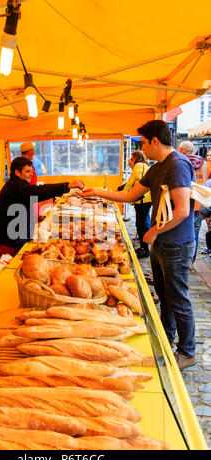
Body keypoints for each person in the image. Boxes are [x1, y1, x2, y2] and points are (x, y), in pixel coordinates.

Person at [79, 119, 196, 370]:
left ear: (154, 141)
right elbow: (130, 195)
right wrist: (98, 192)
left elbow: (183, 210)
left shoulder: (177, 165)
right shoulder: (158, 167)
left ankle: (187, 352)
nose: (142, 147)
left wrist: (154, 231)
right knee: (165, 296)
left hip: (176, 243)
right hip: (162, 242)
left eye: (144, 142)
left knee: (178, 298)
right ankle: (167, 338)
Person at [0, 156, 84, 263]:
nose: (31, 174)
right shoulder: (15, 186)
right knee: (3, 269)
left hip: (14, 236)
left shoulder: (20, 185)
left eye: (32, 171)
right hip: (4, 240)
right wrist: (67, 186)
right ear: (17, 172)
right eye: (27, 171)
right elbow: (38, 191)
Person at [178, 140, 207, 262]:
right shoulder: (205, 165)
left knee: (182, 233)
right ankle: (191, 260)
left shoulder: (180, 164)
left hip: (185, 203)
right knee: (195, 232)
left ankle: (182, 258)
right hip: (201, 204)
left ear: (182, 151)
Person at [123, 150, 152, 258]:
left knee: (141, 224)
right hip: (146, 199)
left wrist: (123, 193)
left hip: (142, 200)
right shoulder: (145, 165)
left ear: (135, 158)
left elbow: (131, 182)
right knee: (142, 223)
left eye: (132, 157)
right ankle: (144, 247)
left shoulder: (138, 166)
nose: (131, 159)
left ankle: (144, 249)